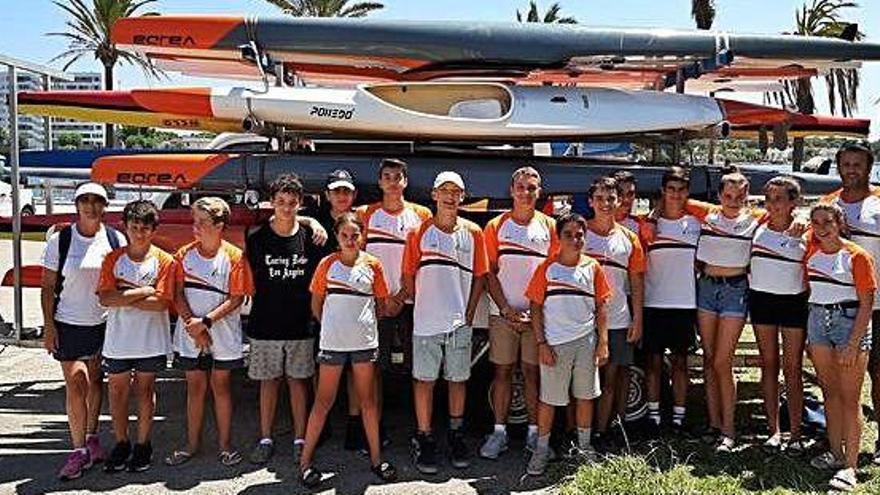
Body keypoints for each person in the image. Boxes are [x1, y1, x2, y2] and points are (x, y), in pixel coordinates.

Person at [299, 212, 397, 487]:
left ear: (362, 236)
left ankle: (377, 459)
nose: (350, 240)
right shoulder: (326, 264)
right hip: (333, 343)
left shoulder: (373, 265)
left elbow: (380, 305)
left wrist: (360, 327)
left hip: (364, 343)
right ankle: (305, 462)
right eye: (345, 235)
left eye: (355, 235)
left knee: (368, 402)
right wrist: (333, 327)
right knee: (323, 402)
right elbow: (316, 305)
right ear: (337, 236)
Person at [402, 171, 488, 474]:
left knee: (457, 380)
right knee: (424, 381)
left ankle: (455, 434)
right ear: (434, 195)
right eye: (445, 190)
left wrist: (469, 311)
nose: (450, 196)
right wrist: (422, 303)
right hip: (426, 322)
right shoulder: (418, 233)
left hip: (458, 322)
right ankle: (423, 436)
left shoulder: (474, 233)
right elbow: (408, 275)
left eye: (456, 191)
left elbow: (481, 275)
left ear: (462, 198)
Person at [41, 182, 126, 480]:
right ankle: (77, 451)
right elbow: (48, 286)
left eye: (97, 200)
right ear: (77, 204)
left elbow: (121, 281)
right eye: (84, 200)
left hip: (104, 323)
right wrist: (49, 326)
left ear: (105, 205)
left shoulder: (115, 239)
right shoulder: (61, 241)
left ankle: (91, 438)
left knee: (96, 383)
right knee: (77, 382)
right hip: (69, 323)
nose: (90, 206)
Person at [166, 197, 254, 467]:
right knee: (194, 388)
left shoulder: (235, 256)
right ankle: (191, 445)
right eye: (195, 221)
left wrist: (205, 322)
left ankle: (225, 445)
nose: (196, 226)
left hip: (222, 332)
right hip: (189, 330)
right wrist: (192, 323)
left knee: (222, 387)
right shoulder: (184, 254)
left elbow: (236, 298)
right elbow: (177, 293)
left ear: (219, 225)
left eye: (202, 222)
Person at [245, 174, 324, 464]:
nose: (286, 207)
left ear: (300, 204)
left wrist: (311, 222)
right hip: (265, 323)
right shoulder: (255, 238)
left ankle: (300, 438)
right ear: (271, 203)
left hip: (300, 323)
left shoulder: (312, 238)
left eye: (292, 203)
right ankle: (265, 438)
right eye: (281, 202)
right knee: (268, 383)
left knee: (299, 382)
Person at [480, 166, 558, 459]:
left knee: (532, 374)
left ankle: (535, 436)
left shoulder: (550, 226)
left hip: (536, 315)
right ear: (512, 190)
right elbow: (489, 272)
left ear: (539, 193)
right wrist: (505, 308)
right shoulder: (496, 226)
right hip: (504, 313)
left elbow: (553, 272)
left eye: (532, 188)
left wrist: (534, 311)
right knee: (502, 372)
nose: (526, 193)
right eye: (521, 187)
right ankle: (498, 433)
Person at [524, 213, 611, 476]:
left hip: (586, 342)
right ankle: (541, 450)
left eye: (579, 235)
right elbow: (535, 307)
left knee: (585, 397)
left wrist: (602, 342)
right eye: (568, 235)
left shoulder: (593, 268)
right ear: (558, 238)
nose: (575, 239)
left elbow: (601, 306)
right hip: (554, 344)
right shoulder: (547, 268)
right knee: (549, 400)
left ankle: (584, 448)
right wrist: (541, 343)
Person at [685, 173, 766, 452]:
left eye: (740, 196)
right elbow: (675, 201)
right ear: (719, 195)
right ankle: (714, 424)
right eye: (728, 196)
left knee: (722, 360)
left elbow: (788, 218)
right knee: (709, 360)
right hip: (706, 287)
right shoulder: (707, 214)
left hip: (735, 288)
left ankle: (730, 430)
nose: (734, 201)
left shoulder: (756, 218)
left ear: (747, 196)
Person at [356, 158, 432, 448]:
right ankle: (374, 428)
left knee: (417, 367)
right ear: (379, 183)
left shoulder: (421, 214)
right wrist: (382, 298)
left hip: (412, 301)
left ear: (405, 182)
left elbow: (424, 258)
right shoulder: (366, 213)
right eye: (386, 176)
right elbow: (359, 259)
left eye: (397, 177)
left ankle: (420, 429)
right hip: (377, 303)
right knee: (376, 368)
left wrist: (400, 296)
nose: (392, 182)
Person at [97, 200, 175, 473]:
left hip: (151, 340)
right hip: (118, 341)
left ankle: (143, 445)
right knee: (117, 393)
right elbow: (106, 298)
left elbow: (163, 303)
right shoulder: (113, 259)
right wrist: (144, 291)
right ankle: (121, 442)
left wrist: (124, 296)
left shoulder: (165, 261)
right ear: (125, 227)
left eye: (145, 228)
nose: (139, 233)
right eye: (134, 227)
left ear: (154, 230)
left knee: (145, 391)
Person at [804, 204, 875, 492]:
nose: (822, 227)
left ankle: (851, 465)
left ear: (840, 223)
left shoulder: (857, 256)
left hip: (848, 323)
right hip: (818, 320)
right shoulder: (811, 252)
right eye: (816, 222)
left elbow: (867, 303)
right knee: (829, 393)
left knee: (850, 398)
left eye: (828, 222)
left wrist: (854, 342)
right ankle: (835, 453)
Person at [818, 142, 880, 464]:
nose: (851, 169)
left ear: (868, 168)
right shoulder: (827, 204)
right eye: (846, 164)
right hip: (838, 304)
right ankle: (838, 445)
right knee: (842, 382)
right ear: (838, 167)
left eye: (858, 164)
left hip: (877, 303)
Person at [583, 177, 644, 448]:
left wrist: (638, 318)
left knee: (613, 379)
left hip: (619, 317)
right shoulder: (579, 233)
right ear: (590, 202)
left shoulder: (629, 238)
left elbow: (637, 281)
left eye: (611, 199)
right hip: (581, 319)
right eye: (600, 199)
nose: (606, 204)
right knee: (582, 382)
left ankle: (605, 431)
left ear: (618, 202)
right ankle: (579, 433)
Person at [748, 177, 808, 452]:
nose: (773, 205)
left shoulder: (806, 230)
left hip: (793, 302)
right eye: (769, 199)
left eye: (780, 199)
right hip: (761, 300)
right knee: (768, 365)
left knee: (792, 368)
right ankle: (774, 430)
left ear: (793, 202)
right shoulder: (757, 224)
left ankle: (796, 434)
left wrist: (805, 216)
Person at [640, 167, 700, 435]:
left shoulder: (696, 224)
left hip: (684, 304)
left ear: (687, 192)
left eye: (682, 189)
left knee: (679, 363)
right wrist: (653, 215)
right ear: (663, 191)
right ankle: (653, 416)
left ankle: (678, 418)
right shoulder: (647, 224)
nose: (676, 194)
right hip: (653, 303)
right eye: (671, 189)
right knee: (652, 363)